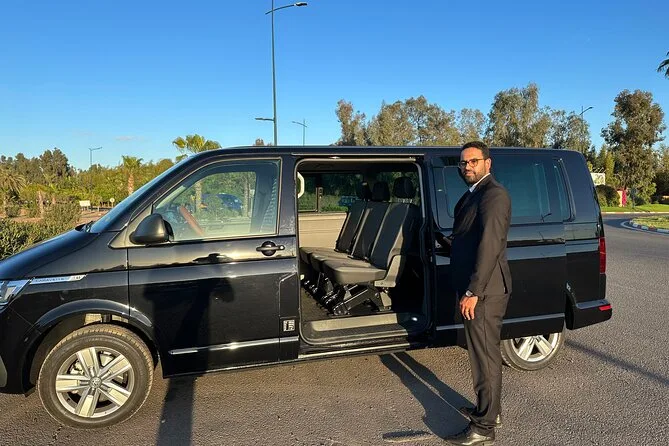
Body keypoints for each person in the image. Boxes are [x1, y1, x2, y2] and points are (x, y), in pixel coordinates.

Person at [442, 141, 512, 446]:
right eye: (463, 162)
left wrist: (473, 291)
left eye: (473, 161)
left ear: (487, 163)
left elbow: (489, 245)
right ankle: (490, 412)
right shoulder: (473, 194)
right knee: (482, 355)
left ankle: (484, 428)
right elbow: (468, 237)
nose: (467, 166)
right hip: (477, 288)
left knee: (485, 358)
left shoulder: (494, 195)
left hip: (485, 292)